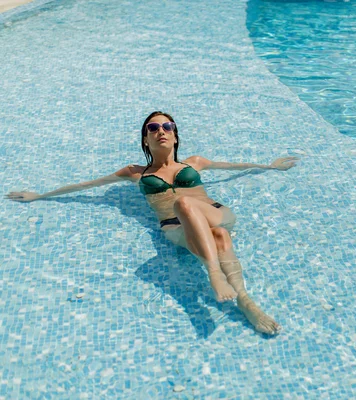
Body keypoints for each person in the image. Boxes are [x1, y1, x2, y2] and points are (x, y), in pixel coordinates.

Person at [7, 111, 298, 335]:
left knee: (188, 204)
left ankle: (214, 274)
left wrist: (268, 166)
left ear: (175, 137)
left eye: (167, 127)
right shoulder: (135, 172)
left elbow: (234, 166)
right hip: (176, 227)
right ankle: (245, 300)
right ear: (145, 139)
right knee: (219, 235)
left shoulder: (194, 163)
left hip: (213, 211)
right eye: (153, 128)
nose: (161, 131)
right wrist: (40, 196)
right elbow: (86, 186)